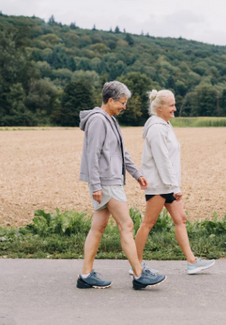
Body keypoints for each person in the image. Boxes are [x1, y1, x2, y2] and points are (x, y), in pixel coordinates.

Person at [77, 81, 166, 290]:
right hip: (107, 182)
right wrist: (96, 185)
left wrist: (137, 174)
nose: (124, 107)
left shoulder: (111, 120)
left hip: (109, 181)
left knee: (98, 228)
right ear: (110, 100)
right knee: (126, 225)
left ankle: (85, 275)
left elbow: (121, 152)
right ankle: (139, 274)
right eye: (122, 103)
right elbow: (93, 155)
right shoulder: (99, 120)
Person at [133, 89, 215, 275]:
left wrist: (173, 185)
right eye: (171, 105)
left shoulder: (166, 125)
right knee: (148, 222)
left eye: (174, 104)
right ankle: (136, 263)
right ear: (159, 108)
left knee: (181, 219)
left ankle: (192, 262)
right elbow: (162, 161)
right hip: (159, 185)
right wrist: (174, 187)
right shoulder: (155, 129)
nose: (174, 108)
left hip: (168, 184)